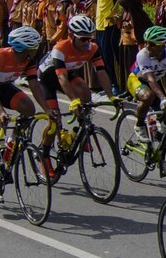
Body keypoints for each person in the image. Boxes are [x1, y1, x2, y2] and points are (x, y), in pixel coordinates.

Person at [0, 26, 53, 204]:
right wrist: (0, 112)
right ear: (24, 48)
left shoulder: (28, 59)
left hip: (4, 86)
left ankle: (11, 141)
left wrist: (47, 109)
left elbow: (35, 85)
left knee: (29, 109)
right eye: (33, 47)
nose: (36, 50)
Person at [38, 15, 122, 176]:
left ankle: (82, 132)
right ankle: (45, 155)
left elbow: (102, 72)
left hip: (67, 74)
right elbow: (61, 78)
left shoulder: (92, 48)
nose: (86, 43)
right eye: (83, 39)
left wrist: (112, 97)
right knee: (54, 120)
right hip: (47, 80)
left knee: (84, 88)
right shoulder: (60, 49)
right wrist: (73, 101)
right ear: (71, 36)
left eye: (89, 38)